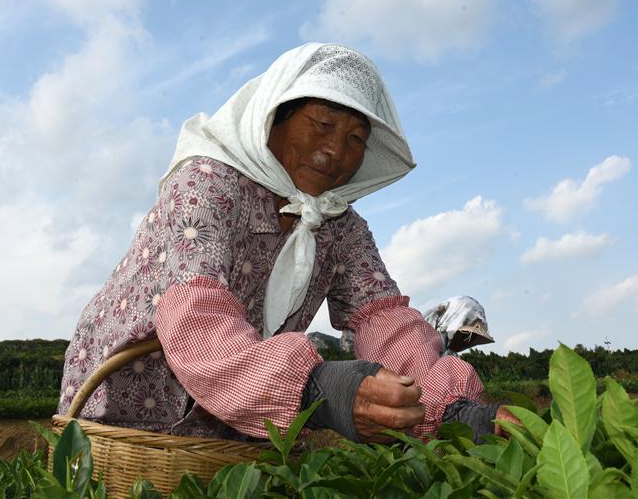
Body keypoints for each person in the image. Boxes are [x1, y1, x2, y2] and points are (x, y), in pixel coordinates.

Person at [59, 43, 518, 444]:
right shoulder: (206, 184)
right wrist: (317, 387)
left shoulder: (340, 226)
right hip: (123, 406)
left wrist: (454, 412)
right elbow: (196, 315)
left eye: (355, 139)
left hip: (228, 425)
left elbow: (385, 321)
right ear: (273, 118)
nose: (335, 151)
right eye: (321, 124)